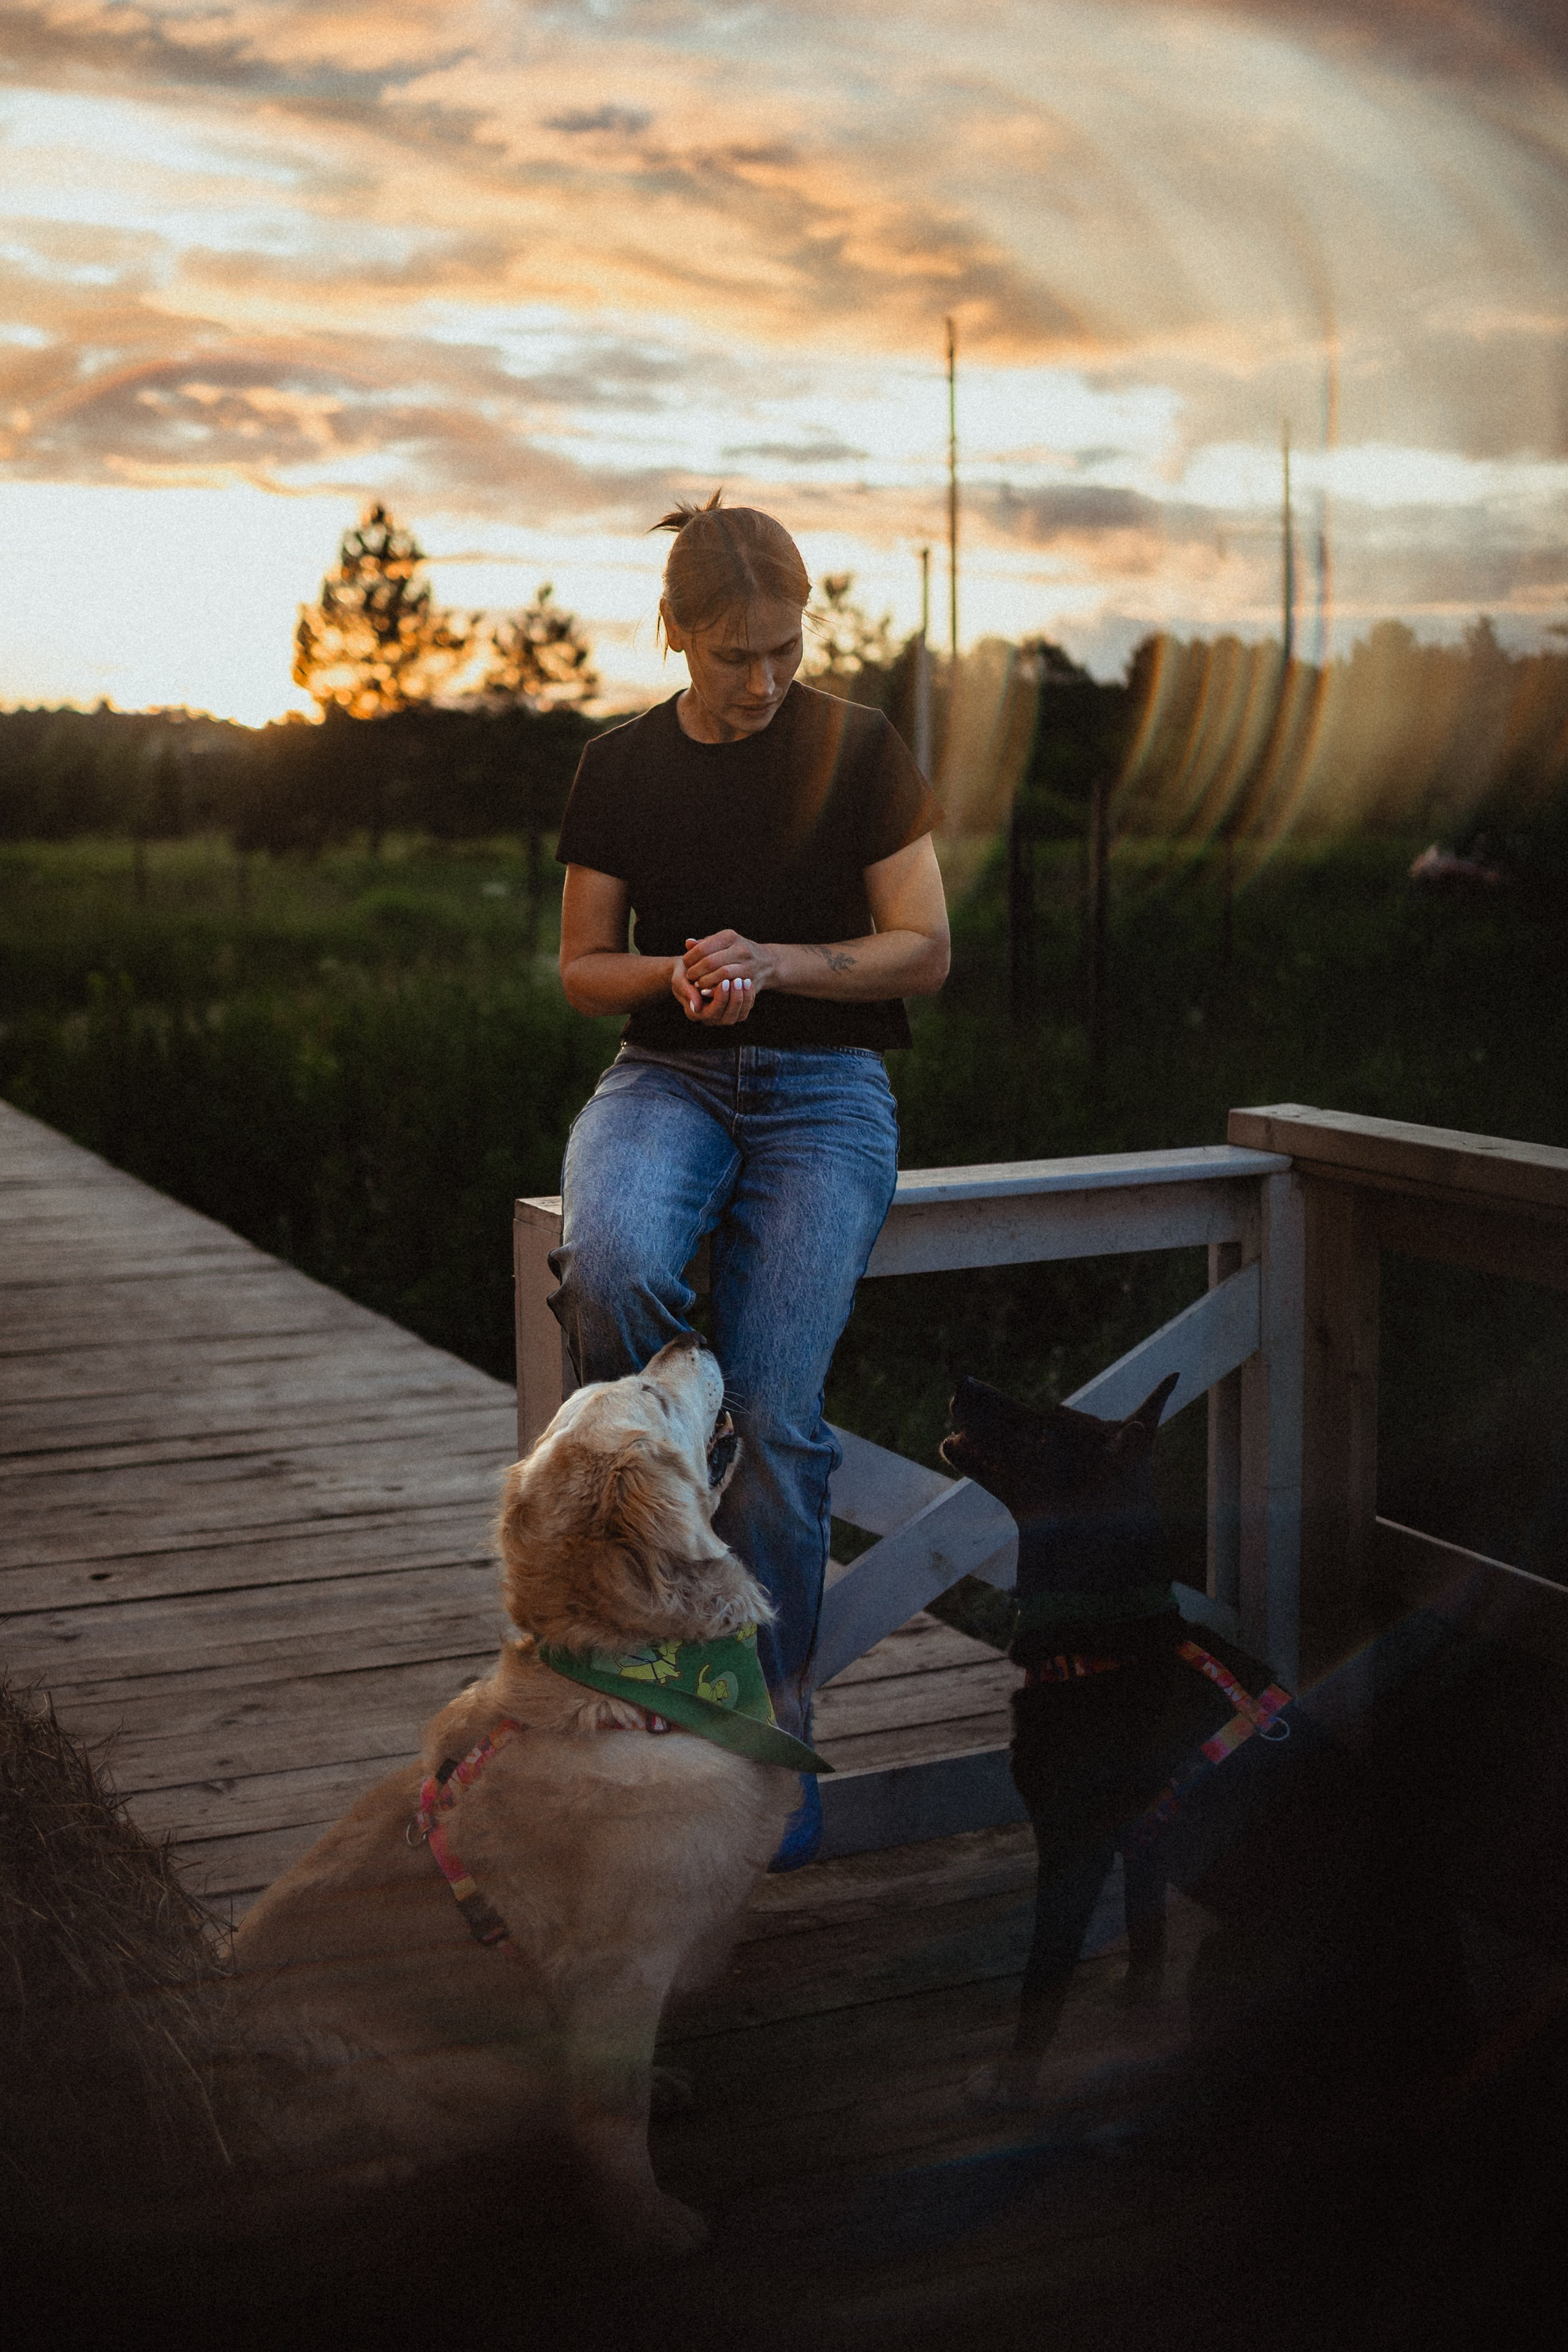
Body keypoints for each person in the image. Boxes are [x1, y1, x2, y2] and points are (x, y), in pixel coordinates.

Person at [550, 492, 950, 1868]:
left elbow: (924, 946)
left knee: (780, 1427)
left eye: (786, 648)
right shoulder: (616, 767)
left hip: (825, 1097)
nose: (767, 680)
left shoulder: (861, 746)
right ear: (671, 632)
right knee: (606, 1266)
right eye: (735, 655)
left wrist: (775, 962)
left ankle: (759, 1754)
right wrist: (678, 974)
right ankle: (657, 1648)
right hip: (663, 1076)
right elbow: (581, 967)